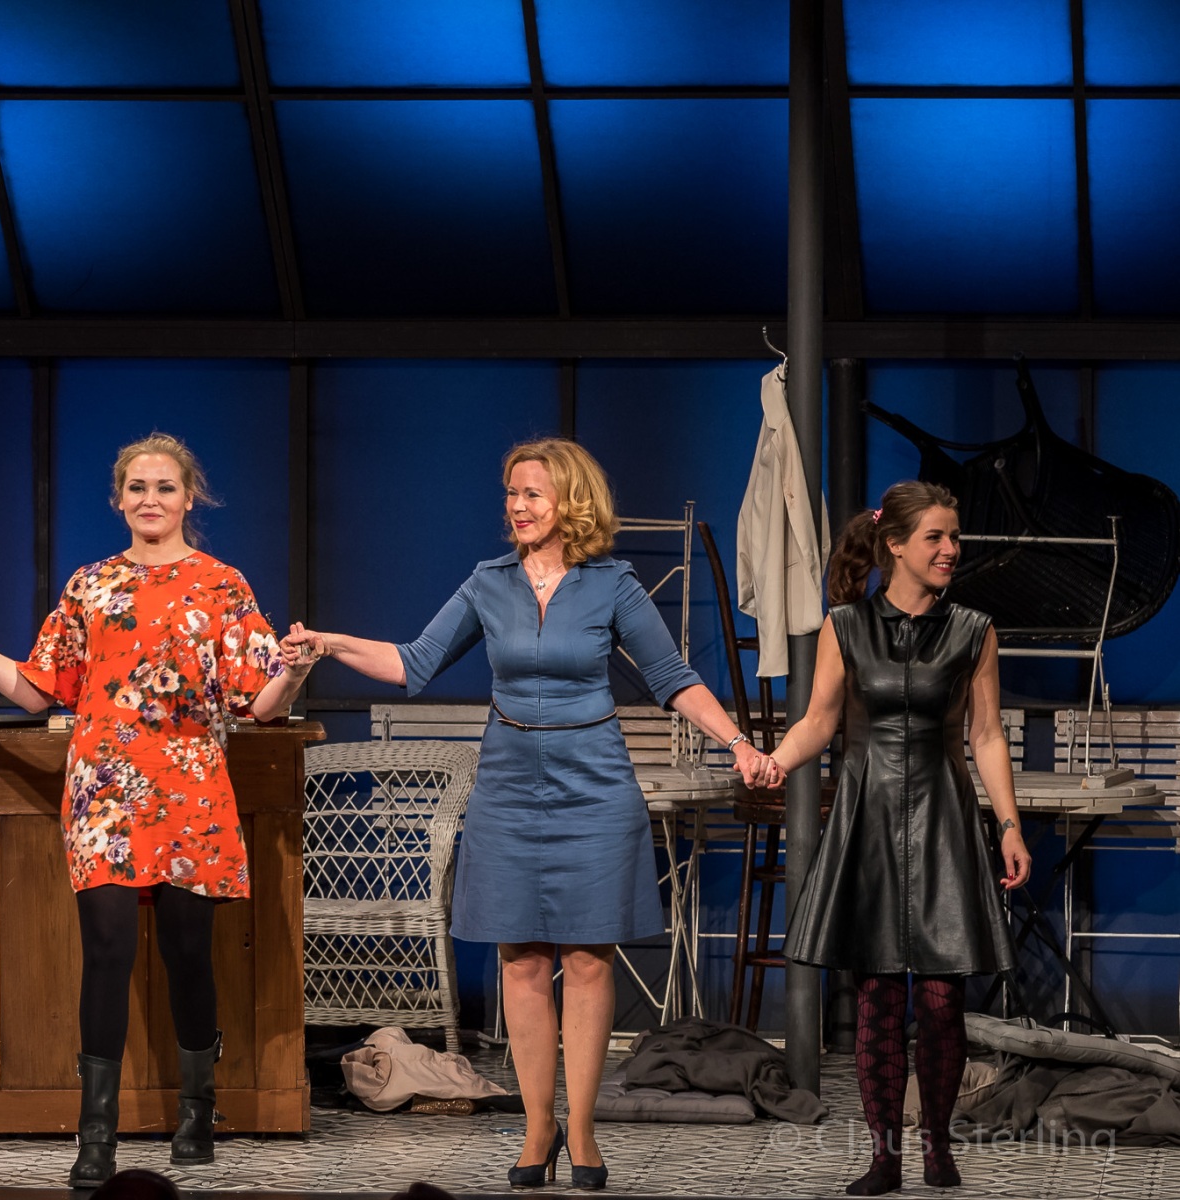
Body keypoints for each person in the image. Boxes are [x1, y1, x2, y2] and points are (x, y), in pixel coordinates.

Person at [284, 438, 773, 1191]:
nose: (517, 506)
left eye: (532, 494)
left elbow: (672, 677)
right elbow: (413, 663)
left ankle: (582, 1129)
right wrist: (331, 642)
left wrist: (738, 742)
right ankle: (538, 1126)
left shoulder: (612, 584)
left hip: (595, 784)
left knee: (588, 958)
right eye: (511, 493)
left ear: (570, 501)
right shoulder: (489, 582)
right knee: (522, 960)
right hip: (510, 786)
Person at [0, 433, 316, 1187]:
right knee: (106, 949)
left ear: (188, 498)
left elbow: (260, 703)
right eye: (137, 487)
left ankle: (197, 1108)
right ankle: (94, 1134)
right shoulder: (90, 585)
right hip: (104, 794)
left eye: (164, 487)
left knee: (188, 952)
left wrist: (293, 674)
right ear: (117, 499)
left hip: (191, 793)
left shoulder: (222, 585)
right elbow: (38, 689)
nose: (150, 499)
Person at [762, 481, 1032, 1196]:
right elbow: (819, 721)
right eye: (936, 537)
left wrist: (1009, 825)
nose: (951, 550)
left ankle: (937, 1146)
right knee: (878, 998)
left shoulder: (973, 629)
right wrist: (776, 761)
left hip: (943, 819)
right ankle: (884, 1157)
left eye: (954, 537)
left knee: (942, 1000)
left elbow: (986, 735)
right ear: (896, 546)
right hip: (870, 819)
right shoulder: (846, 626)